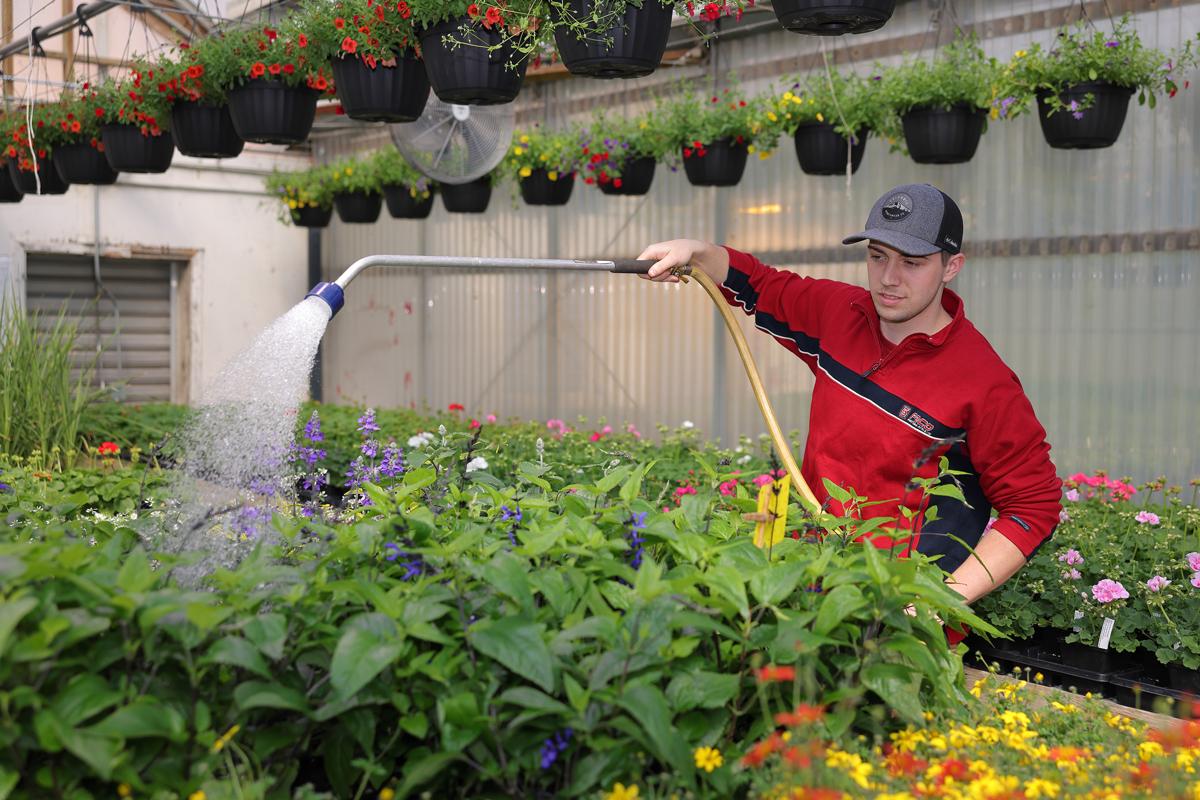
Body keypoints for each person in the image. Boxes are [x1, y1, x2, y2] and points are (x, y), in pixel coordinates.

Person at [638, 183, 1062, 620]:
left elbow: (1035, 505)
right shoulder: (841, 315)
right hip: (811, 590)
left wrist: (940, 600)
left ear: (951, 266)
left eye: (912, 263)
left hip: (898, 617)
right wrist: (697, 251)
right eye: (878, 256)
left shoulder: (984, 383)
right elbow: (761, 284)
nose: (889, 278)